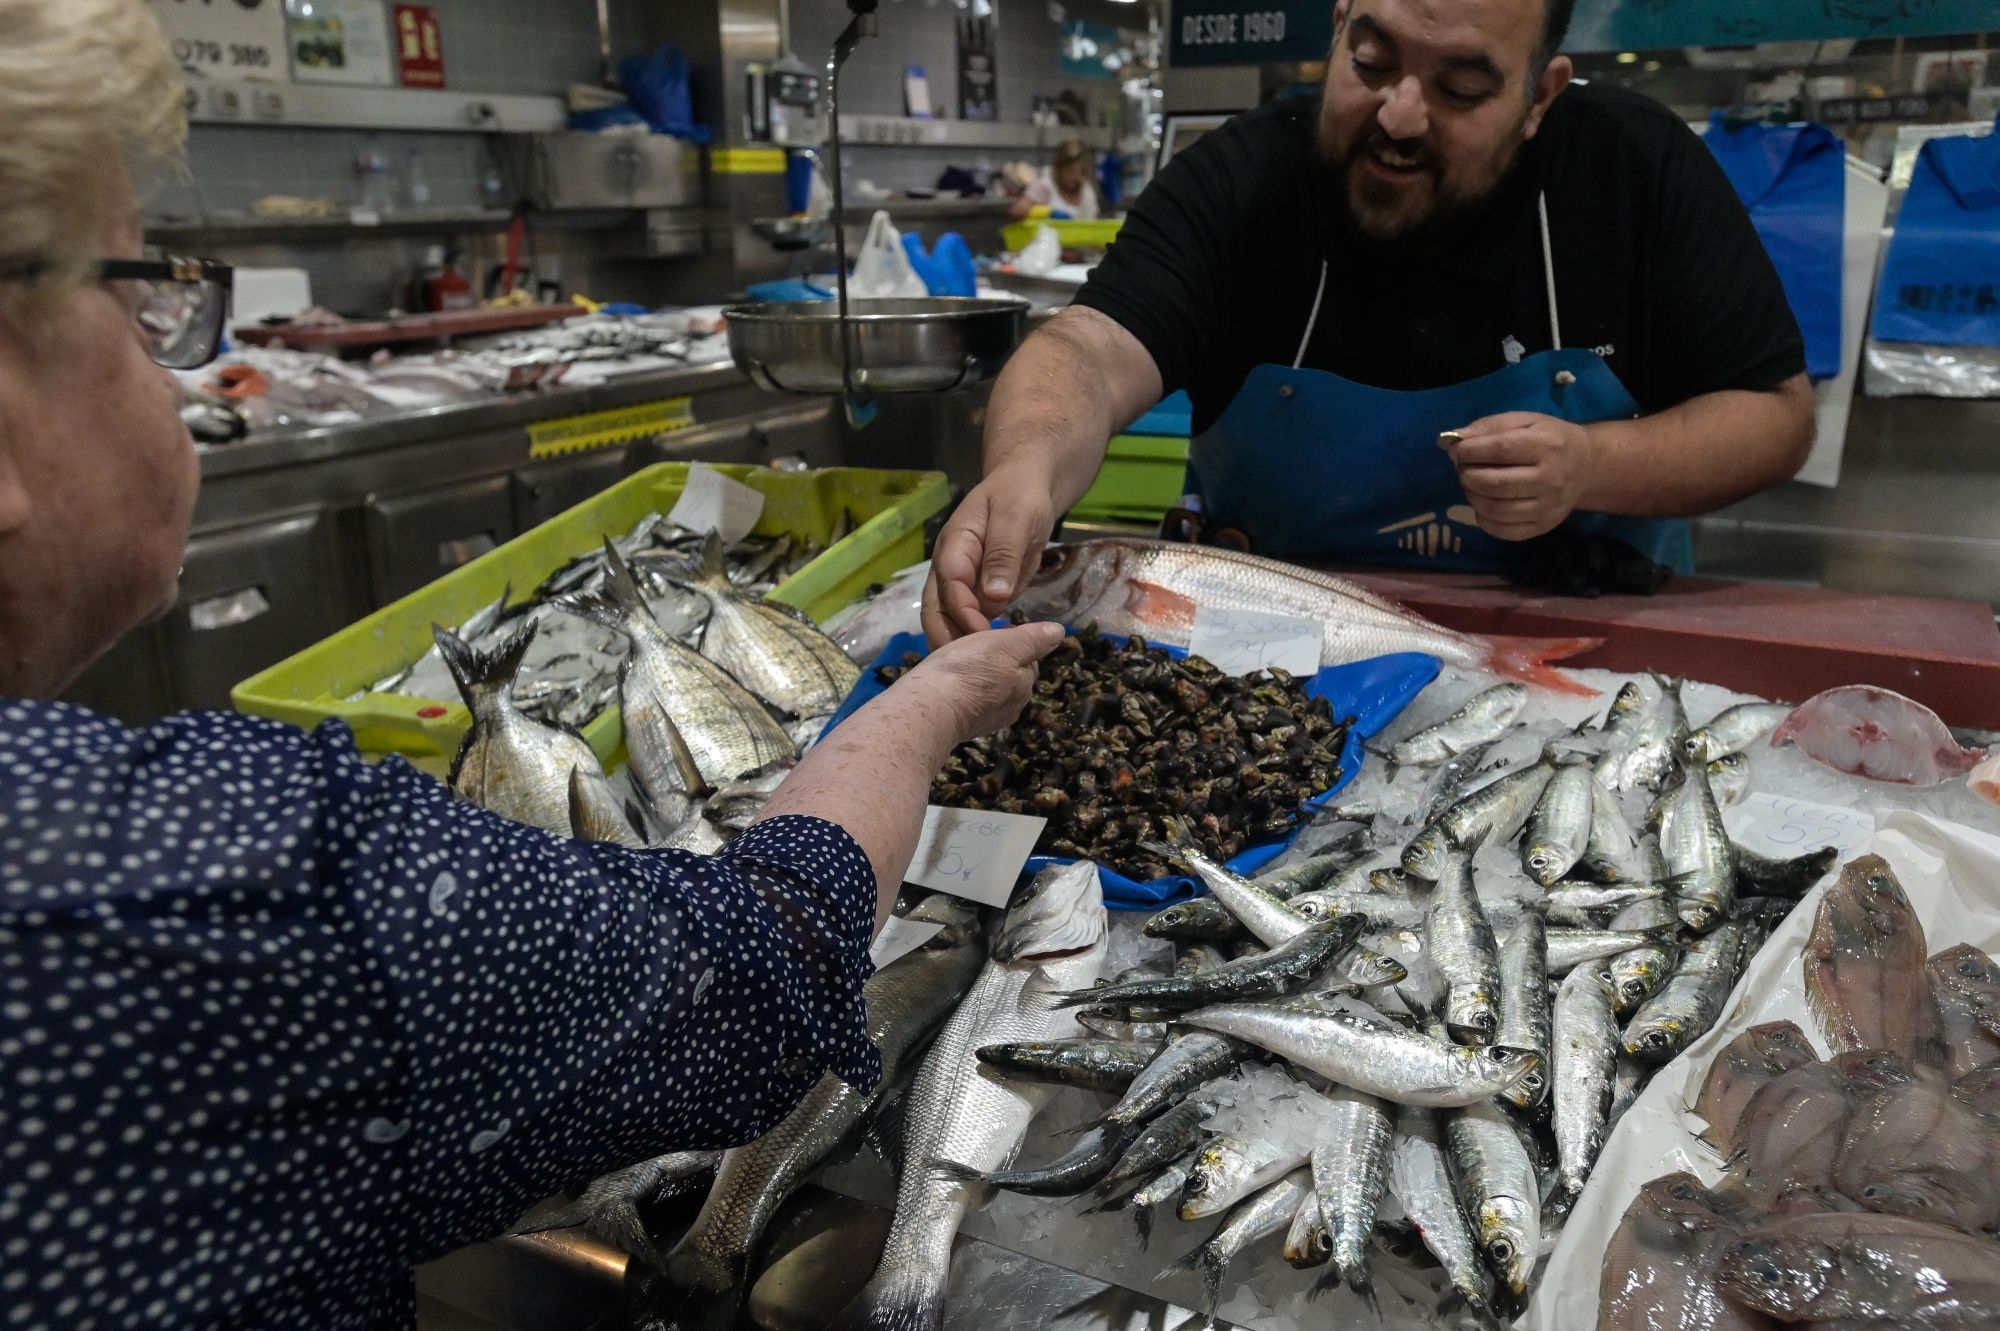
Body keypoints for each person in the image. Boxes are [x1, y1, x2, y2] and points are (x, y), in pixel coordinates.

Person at [0, 3, 1063, 1326]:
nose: (182, 367)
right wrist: (928, 706)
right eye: (147, 296)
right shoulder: (204, 873)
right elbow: (749, 975)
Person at [926, 0, 1818, 644]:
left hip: (1586, 657)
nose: (1398, 116)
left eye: (1462, 89)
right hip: (1278, 662)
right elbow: (1088, 349)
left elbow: (1774, 415)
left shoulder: (1635, 171)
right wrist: (1025, 471)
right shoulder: (1242, 183)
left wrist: (1594, 463)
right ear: (1341, 21)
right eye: (1372, 62)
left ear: (1542, 96)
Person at [1009, 134, 1102, 221]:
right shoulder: (1044, 186)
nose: (1075, 176)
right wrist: (1048, 213)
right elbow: (1017, 211)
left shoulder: (1087, 190)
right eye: (1070, 171)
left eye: (1080, 172)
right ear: (1058, 169)